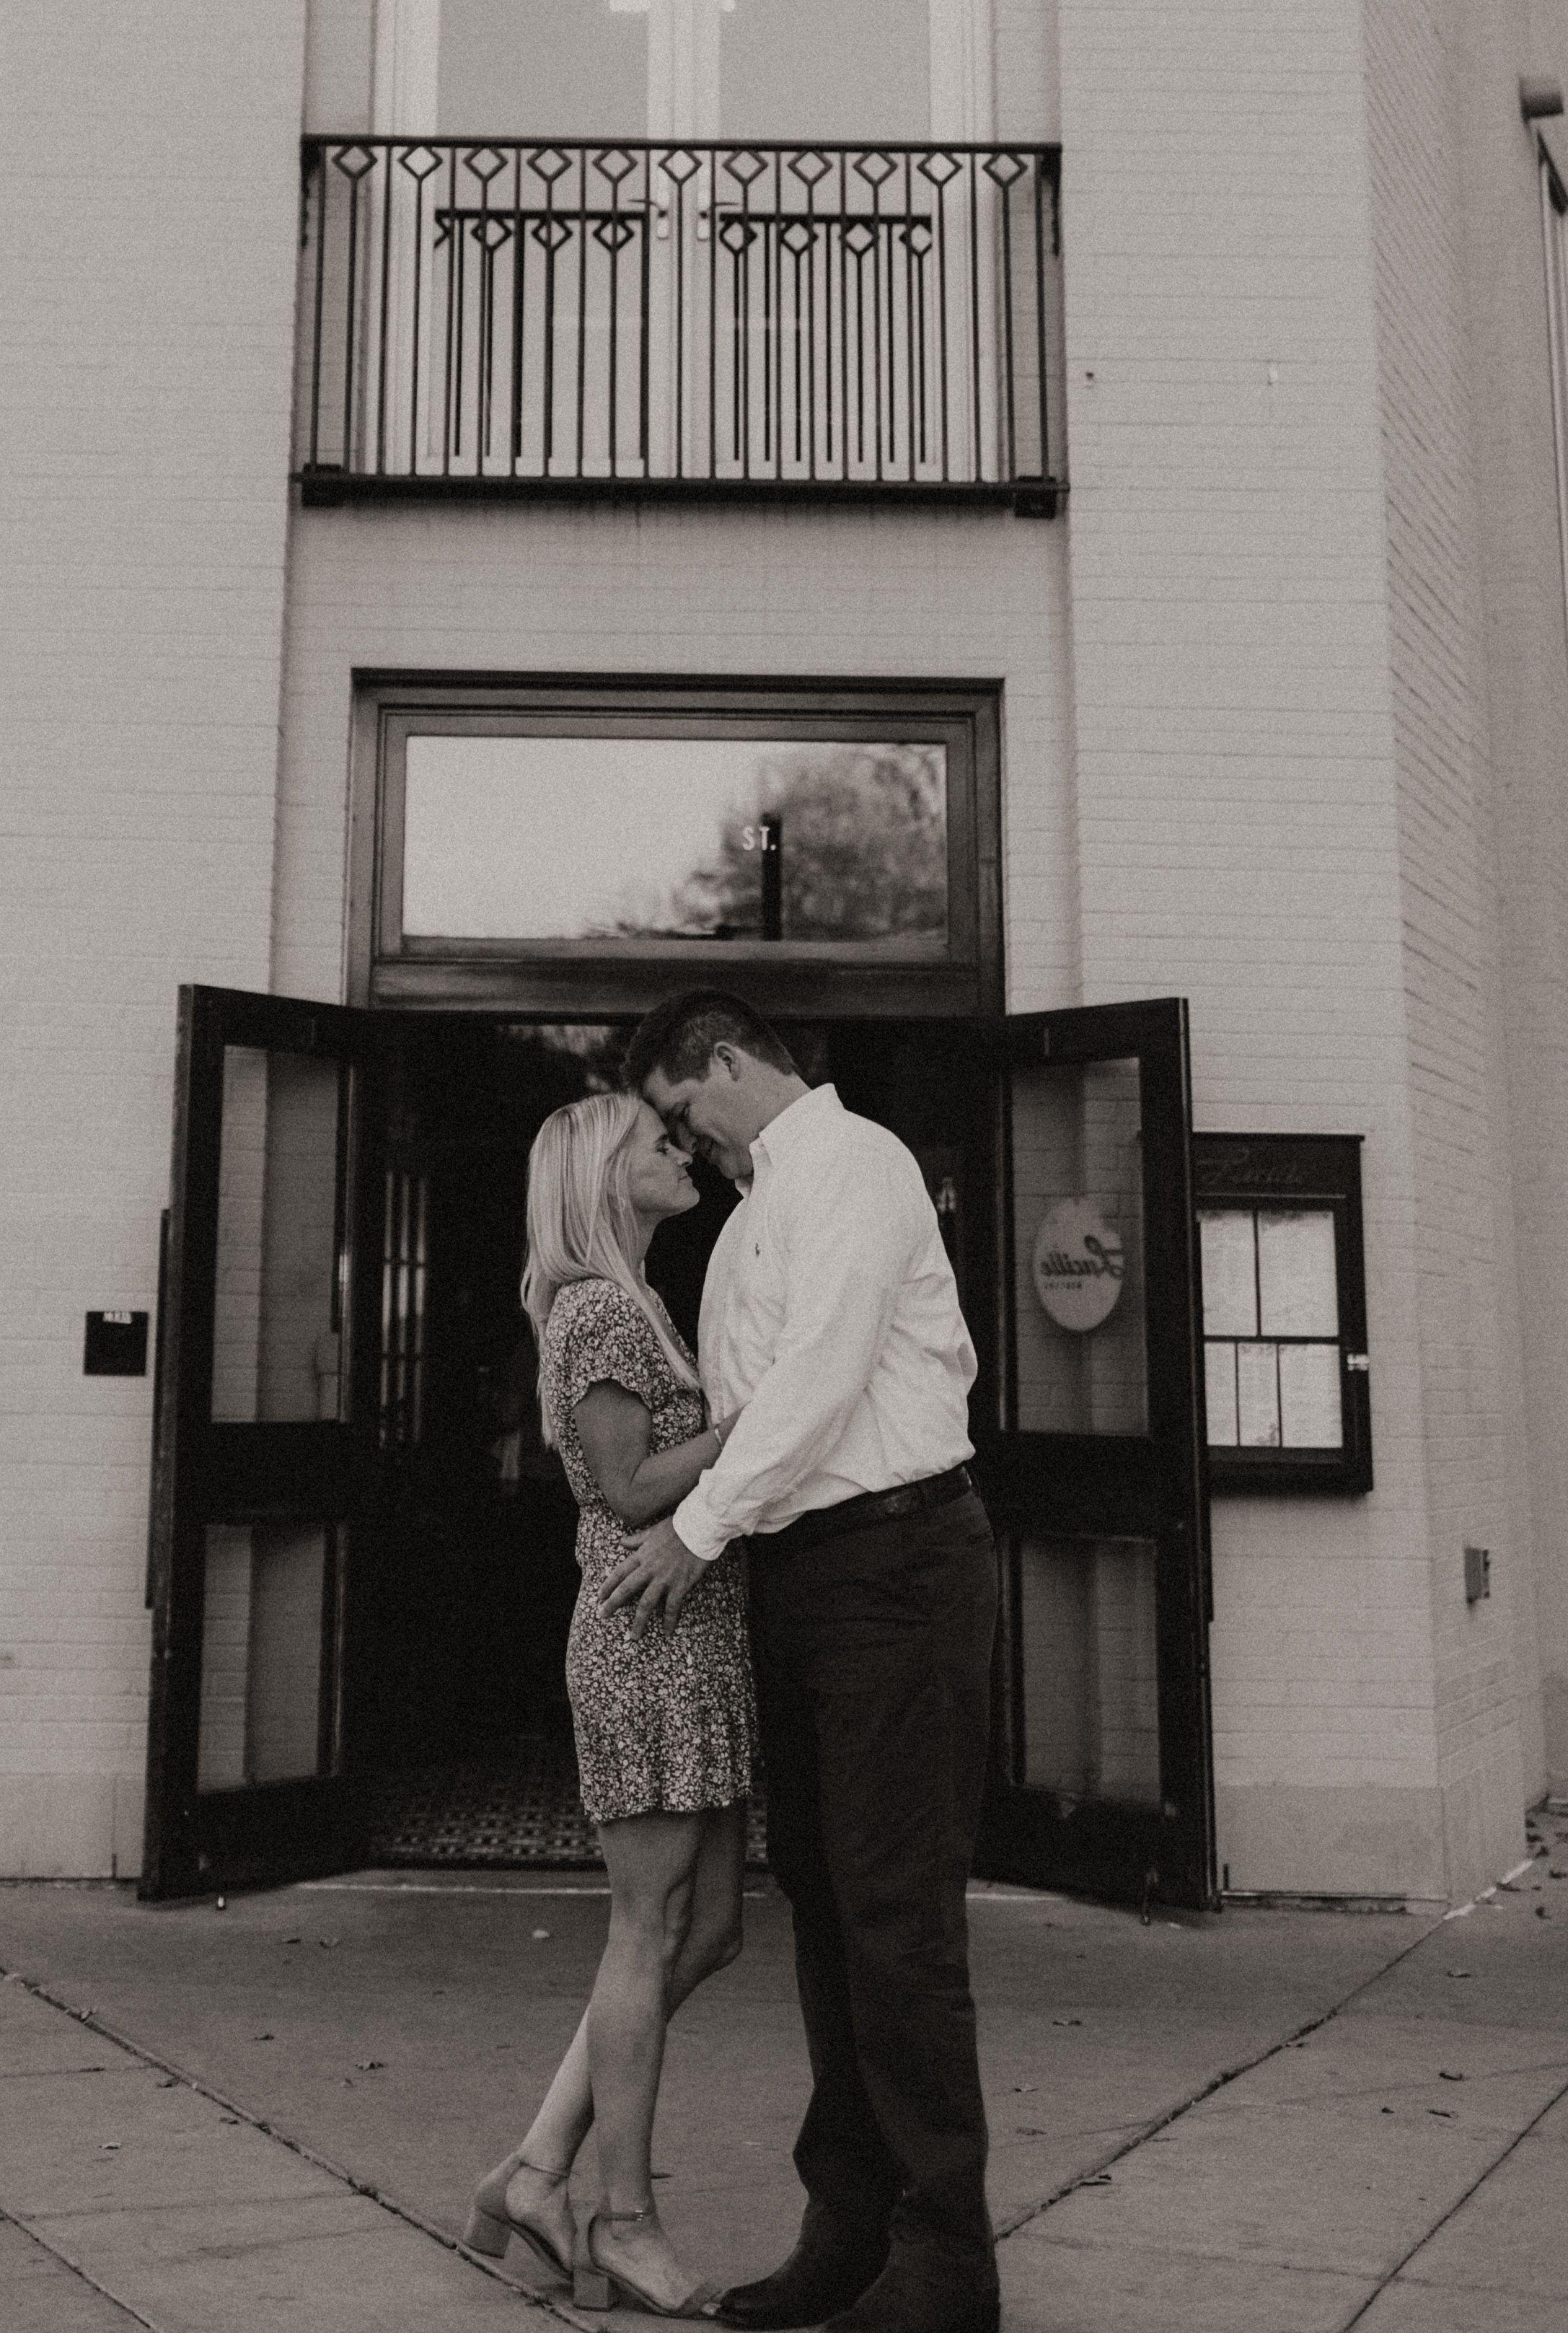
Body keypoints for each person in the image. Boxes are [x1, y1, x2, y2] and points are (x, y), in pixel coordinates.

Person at [601, 991, 1000, 2333]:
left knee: (897, 1920)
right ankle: (852, 2228)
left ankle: (946, 2265)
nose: (685, 1140)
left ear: (724, 1061)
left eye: (677, 1109)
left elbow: (817, 1385)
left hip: (895, 1566)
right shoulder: (758, 1205)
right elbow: (743, 1411)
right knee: (829, 1914)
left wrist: (691, 1537)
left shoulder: (858, 1165)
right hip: (814, 1576)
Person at [470, 1091, 758, 2319]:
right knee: (646, 1933)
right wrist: (759, 1422)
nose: (678, 1151)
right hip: (645, 1644)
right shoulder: (594, 1307)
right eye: (655, 1142)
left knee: (709, 1931)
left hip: (694, 1640)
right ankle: (622, 2220)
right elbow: (634, 1489)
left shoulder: (637, 1301)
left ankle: (537, 2166)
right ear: (601, 1177)